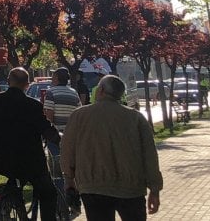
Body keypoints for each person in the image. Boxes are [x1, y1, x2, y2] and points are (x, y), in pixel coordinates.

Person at [61, 75, 162, 220]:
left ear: (100, 90)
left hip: (93, 187)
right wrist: (155, 189)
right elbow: (150, 156)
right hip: (131, 187)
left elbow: (67, 149)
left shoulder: (79, 116)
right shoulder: (136, 118)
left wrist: (69, 179)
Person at [0, 67, 60, 219]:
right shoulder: (33, 105)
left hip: (1, 159)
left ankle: (6, 206)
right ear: (27, 84)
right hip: (30, 161)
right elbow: (45, 128)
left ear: (8, 81)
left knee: (12, 183)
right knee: (49, 193)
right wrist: (59, 139)